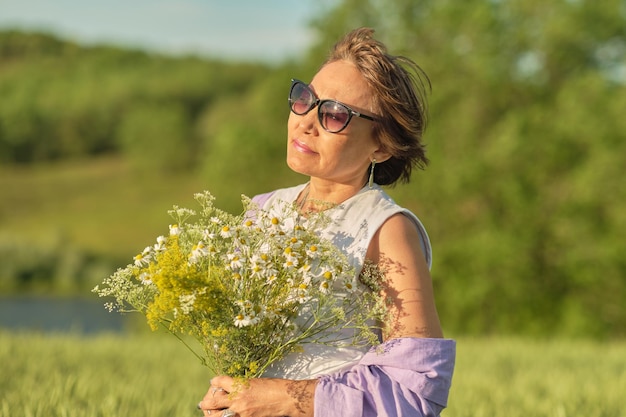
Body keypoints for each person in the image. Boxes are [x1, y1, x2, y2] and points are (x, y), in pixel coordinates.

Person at [197, 27, 455, 417]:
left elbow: (417, 391)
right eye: (305, 99)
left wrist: (285, 400)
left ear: (381, 145)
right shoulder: (262, 211)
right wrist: (228, 392)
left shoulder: (387, 229)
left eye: (334, 114)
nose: (306, 121)